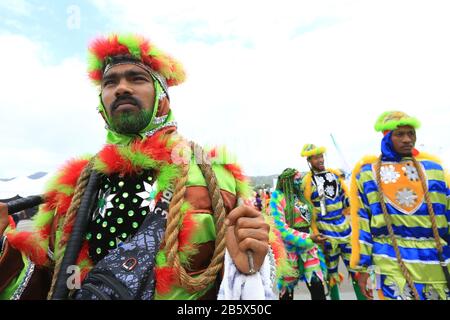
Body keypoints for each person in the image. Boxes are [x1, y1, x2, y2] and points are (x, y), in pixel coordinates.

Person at [0, 33, 275, 300]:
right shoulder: (71, 187)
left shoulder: (215, 175)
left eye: (137, 78)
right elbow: (46, 284)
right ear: (101, 103)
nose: (121, 88)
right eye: (110, 82)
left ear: (162, 97)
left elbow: (247, 281)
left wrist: (247, 269)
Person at [350, 110, 450, 300]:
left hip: (434, 262)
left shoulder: (435, 171)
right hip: (386, 260)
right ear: (387, 137)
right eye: (400, 134)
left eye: (411, 133)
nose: (407, 139)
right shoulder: (367, 174)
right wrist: (361, 271)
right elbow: (362, 227)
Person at [300, 144, 365, 300]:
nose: (320, 160)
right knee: (331, 273)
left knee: (356, 269)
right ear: (309, 160)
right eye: (316, 157)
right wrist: (314, 233)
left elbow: (346, 199)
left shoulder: (335, 175)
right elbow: (307, 211)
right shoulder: (307, 182)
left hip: (345, 229)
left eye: (321, 156)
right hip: (325, 233)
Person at [269, 168, 328, 300]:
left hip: (309, 249)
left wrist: (316, 236)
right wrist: (308, 238)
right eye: (297, 180)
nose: (300, 182)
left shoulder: (301, 196)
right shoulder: (277, 198)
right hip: (288, 250)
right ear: (287, 181)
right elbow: (280, 229)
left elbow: (309, 221)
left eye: (300, 179)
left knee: (317, 286)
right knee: (287, 292)